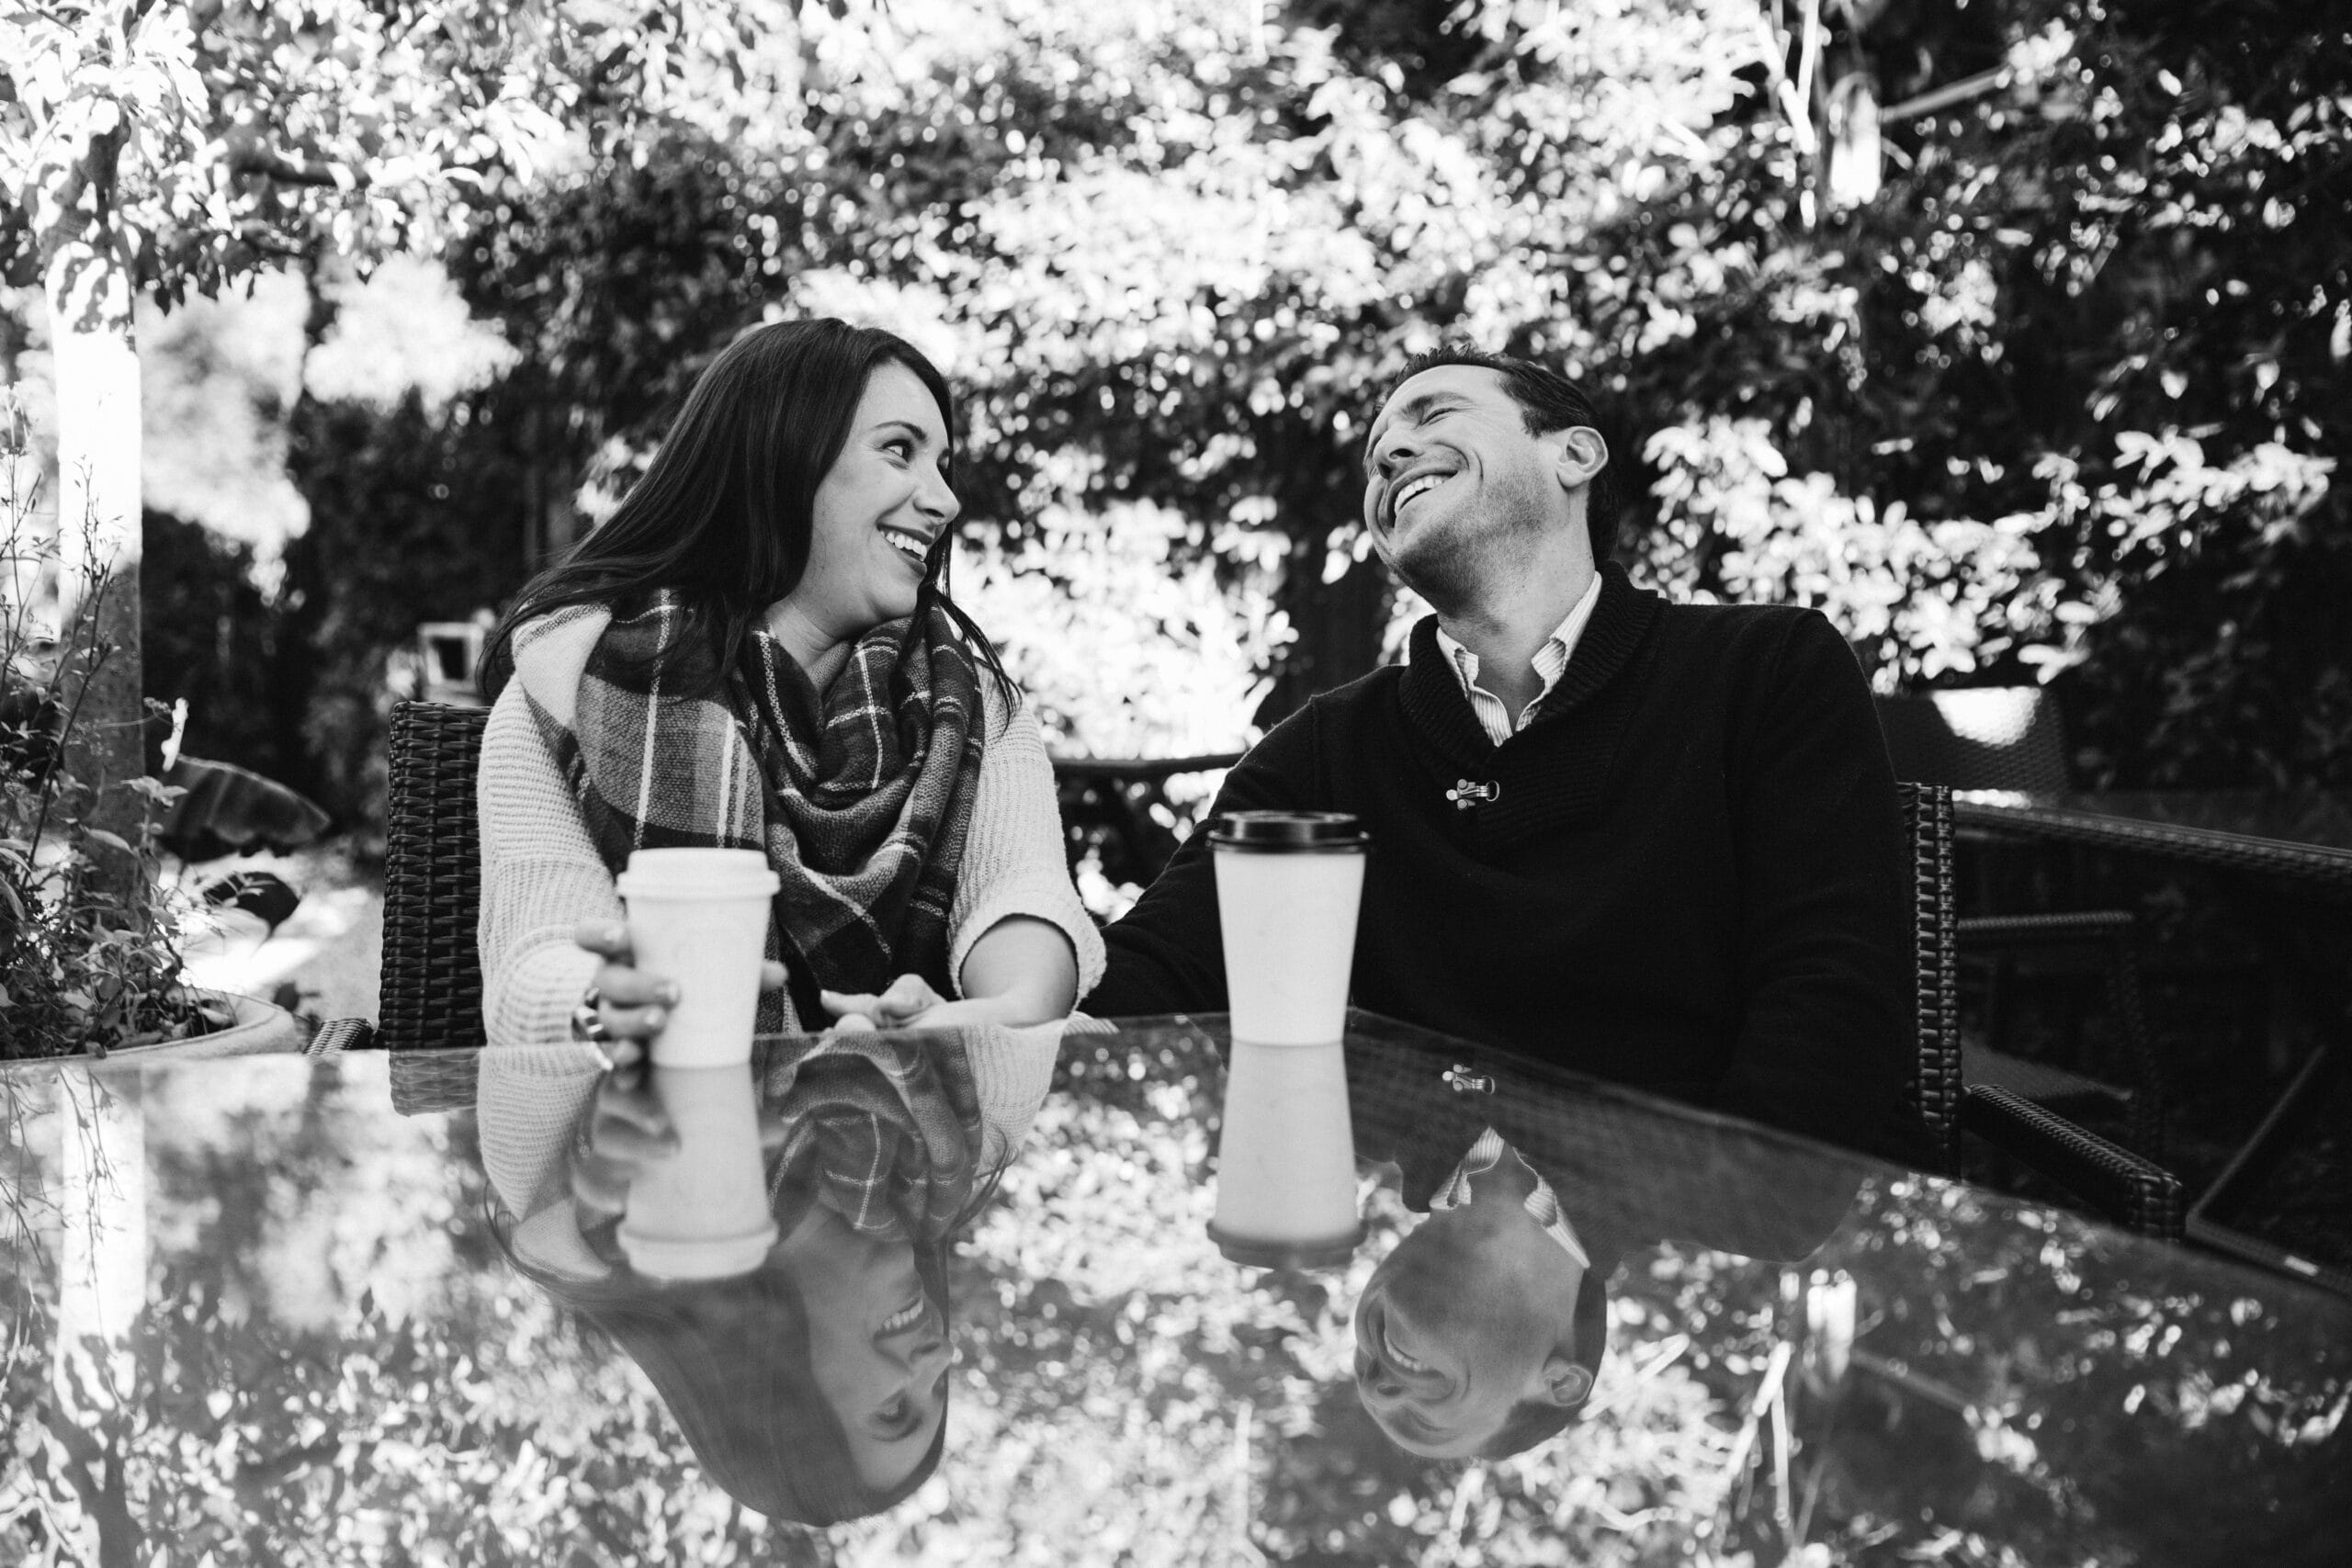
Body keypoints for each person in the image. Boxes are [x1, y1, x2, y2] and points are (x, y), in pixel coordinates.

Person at [1088, 345, 1916, 1161]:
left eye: (1434, 414)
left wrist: (1663, 1235)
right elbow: (1157, 972)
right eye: (1377, 460)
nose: (1391, 457)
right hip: (1408, 1254)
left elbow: (1830, 1011)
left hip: (1686, 1260)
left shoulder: (1768, 672)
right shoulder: (1320, 750)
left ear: (1575, 453)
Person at [476, 318, 1102, 1046]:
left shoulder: (973, 704)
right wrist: (616, 1006)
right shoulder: (570, 681)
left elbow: (1022, 906)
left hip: (911, 1142)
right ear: (784, 457)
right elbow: (534, 961)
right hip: (648, 1136)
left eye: (943, 466)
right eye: (900, 450)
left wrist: (971, 1020)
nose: (945, 501)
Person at [480, 1024, 1057, 1521]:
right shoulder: (980, 1128)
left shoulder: (561, 1181)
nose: (944, 1357)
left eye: (895, 1411)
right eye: (940, 1389)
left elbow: (549, 934)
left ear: (780, 1398)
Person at [1343, 1034, 1861, 1460]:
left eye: (1360, 1367)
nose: (1376, 1388)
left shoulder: (1350, 1091)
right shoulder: (1765, 1196)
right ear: (1561, 1382)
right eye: (1422, 1424)